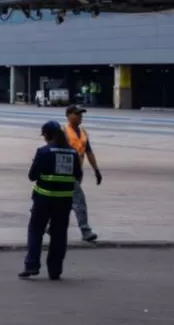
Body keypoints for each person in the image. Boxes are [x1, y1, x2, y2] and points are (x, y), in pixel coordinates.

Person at [19, 121, 82, 280]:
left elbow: (32, 176)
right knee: (59, 234)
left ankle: (32, 265)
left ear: (47, 135)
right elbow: (78, 175)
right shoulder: (72, 153)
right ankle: (55, 270)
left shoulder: (43, 152)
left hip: (43, 199)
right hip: (64, 201)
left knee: (35, 231)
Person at [63, 105, 101, 242]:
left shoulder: (83, 132)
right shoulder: (63, 131)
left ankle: (51, 226)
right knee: (79, 202)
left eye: (81, 114)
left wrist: (96, 170)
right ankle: (86, 230)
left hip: (78, 173)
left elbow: (89, 152)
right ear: (68, 115)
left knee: (66, 203)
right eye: (77, 114)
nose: (80, 117)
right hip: (66, 174)